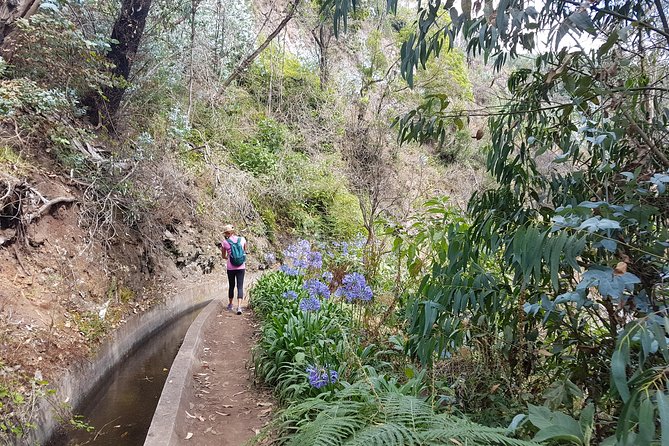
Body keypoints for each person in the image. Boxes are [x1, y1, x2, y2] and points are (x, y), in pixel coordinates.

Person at [220, 224, 247, 314]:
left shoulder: (225, 242)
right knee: (240, 286)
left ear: (226, 233)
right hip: (241, 267)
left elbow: (223, 255)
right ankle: (239, 307)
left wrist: (227, 257)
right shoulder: (242, 239)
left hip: (231, 267)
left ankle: (230, 304)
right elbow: (244, 251)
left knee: (231, 286)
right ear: (233, 232)